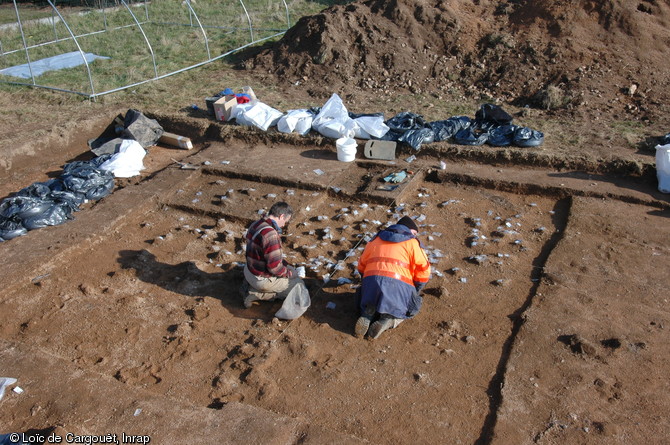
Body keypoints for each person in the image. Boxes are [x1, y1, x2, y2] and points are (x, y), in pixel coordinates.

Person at [355, 215, 431, 339]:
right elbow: (424, 270)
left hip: (371, 282)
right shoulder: (412, 243)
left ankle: (368, 312)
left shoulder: (376, 239)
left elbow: (362, 264)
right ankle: (389, 319)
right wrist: (416, 288)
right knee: (409, 307)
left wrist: (367, 282)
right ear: (409, 230)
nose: (415, 236)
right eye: (415, 233)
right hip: (399, 285)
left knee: (370, 297)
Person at [240, 201, 310, 318]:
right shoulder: (271, 234)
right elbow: (274, 268)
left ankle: (251, 285)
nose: (283, 225)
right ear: (281, 216)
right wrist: (289, 274)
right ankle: (254, 294)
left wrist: (287, 266)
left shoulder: (256, 223)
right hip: (261, 280)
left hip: (249, 270)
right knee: (298, 285)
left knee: (290, 269)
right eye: (285, 222)